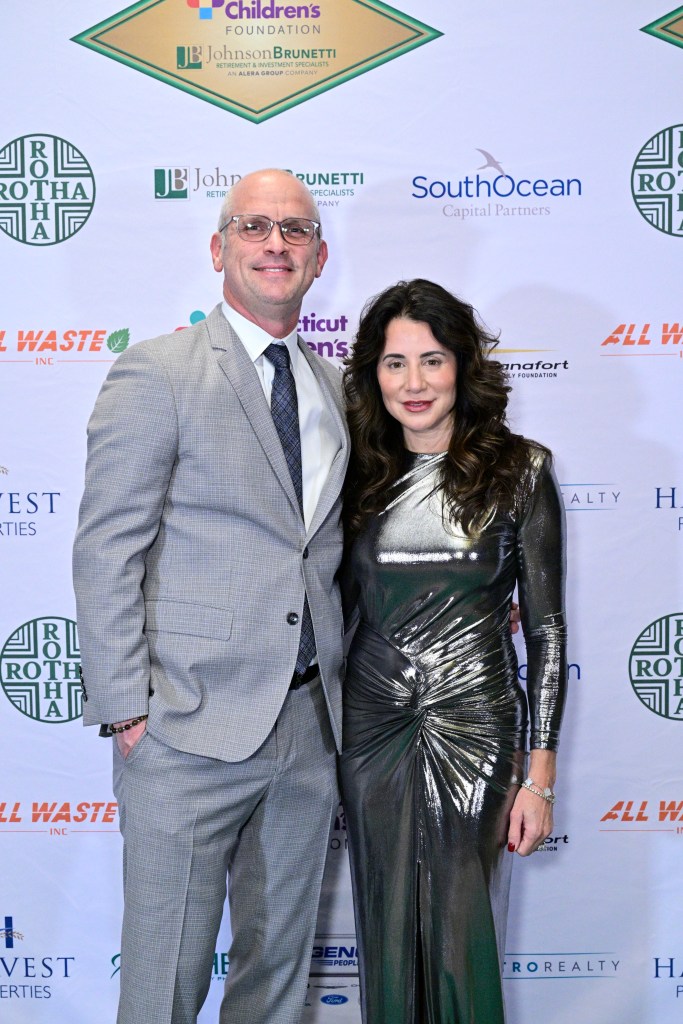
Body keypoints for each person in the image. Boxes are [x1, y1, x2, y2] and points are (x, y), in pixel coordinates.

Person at [72, 169, 349, 1024]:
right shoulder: (157, 371)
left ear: (319, 257)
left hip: (309, 728)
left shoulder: (336, 387)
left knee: (276, 980)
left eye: (295, 230)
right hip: (184, 727)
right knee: (163, 985)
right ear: (218, 247)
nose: (276, 244)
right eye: (254, 227)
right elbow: (106, 546)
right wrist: (128, 710)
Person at [339, 279, 567, 1024]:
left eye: (431, 360)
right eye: (394, 362)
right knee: (384, 924)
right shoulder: (353, 475)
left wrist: (539, 779)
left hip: (477, 727)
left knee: (463, 932)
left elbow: (546, 632)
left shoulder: (520, 470)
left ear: (462, 366)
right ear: (373, 373)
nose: (414, 382)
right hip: (371, 728)